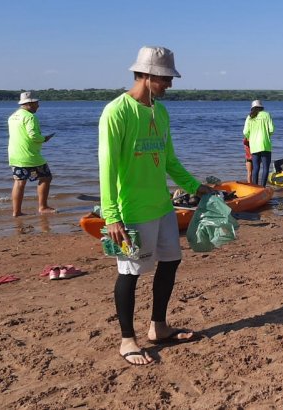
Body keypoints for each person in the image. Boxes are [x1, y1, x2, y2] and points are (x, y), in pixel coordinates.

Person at [98, 46, 213, 366]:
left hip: (162, 206)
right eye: (165, 78)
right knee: (130, 273)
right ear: (146, 75)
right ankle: (126, 340)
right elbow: (106, 167)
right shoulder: (116, 112)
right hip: (131, 210)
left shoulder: (160, 113)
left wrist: (195, 186)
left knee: (171, 261)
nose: (170, 85)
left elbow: (170, 161)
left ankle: (158, 327)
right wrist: (111, 215)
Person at [8, 91, 56, 216]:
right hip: (30, 155)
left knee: (19, 182)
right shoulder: (30, 117)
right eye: (36, 103)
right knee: (46, 177)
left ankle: (16, 212)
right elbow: (33, 136)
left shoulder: (13, 116)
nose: (38, 106)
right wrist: (44, 139)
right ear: (29, 104)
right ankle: (43, 207)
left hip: (14, 154)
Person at [243, 99, 274, 186]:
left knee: (256, 168)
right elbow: (272, 129)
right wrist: (266, 135)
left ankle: (255, 187)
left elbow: (245, 132)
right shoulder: (266, 115)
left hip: (254, 146)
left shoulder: (250, 117)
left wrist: (250, 137)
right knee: (265, 168)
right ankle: (263, 187)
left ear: (252, 108)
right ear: (261, 107)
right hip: (265, 145)